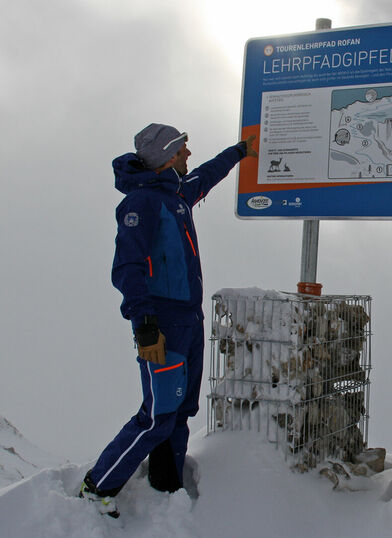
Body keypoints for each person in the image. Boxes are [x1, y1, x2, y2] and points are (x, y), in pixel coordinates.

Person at [79, 123, 256, 517]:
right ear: (165, 157)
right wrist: (144, 325)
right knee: (157, 416)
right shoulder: (141, 203)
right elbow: (127, 267)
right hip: (162, 326)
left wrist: (239, 151)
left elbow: (205, 176)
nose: (188, 154)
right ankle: (98, 486)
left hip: (189, 320)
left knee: (180, 412)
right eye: (181, 150)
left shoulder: (175, 193)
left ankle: (166, 483)